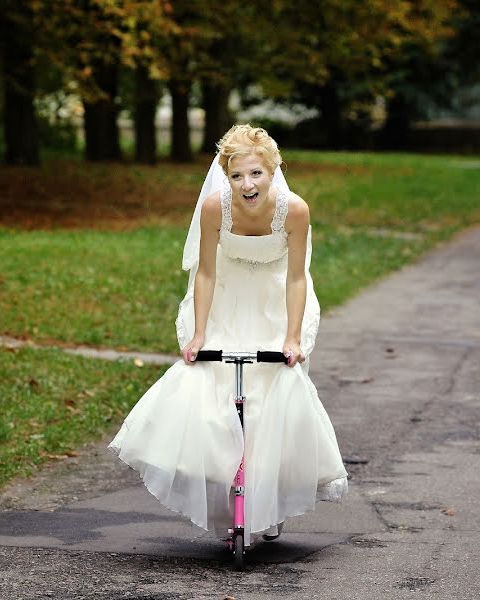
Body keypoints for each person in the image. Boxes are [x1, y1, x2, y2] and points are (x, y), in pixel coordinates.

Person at [108, 124, 348, 544]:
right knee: (211, 389)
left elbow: (296, 279)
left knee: (273, 392)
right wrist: (199, 333)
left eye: (255, 173)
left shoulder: (294, 210)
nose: (247, 184)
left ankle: (268, 503)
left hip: (275, 300)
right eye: (237, 176)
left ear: (273, 170)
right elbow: (205, 271)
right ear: (225, 176)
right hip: (225, 295)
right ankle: (227, 507)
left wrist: (291, 337)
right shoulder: (214, 209)